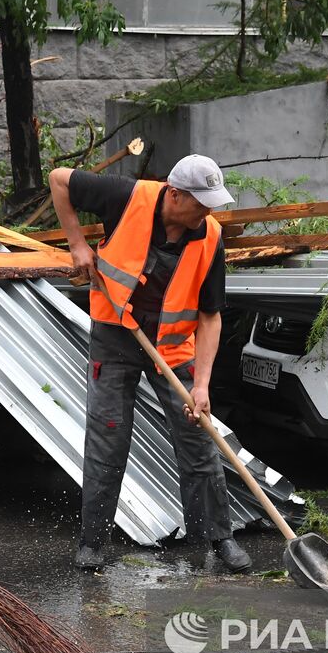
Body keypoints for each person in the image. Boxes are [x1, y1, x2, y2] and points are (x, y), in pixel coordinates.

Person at [48, 154, 251, 573]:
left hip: (173, 350)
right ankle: (93, 543)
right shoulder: (126, 197)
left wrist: (202, 386)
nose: (208, 211)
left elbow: (210, 315)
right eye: (201, 202)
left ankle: (217, 538)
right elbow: (59, 179)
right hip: (116, 337)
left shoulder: (210, 236)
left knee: (198, 443)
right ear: (175, 194)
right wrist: (77, 244)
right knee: (108, 439)